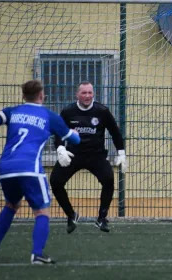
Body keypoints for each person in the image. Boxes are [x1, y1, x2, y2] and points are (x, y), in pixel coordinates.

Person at [0, 80, 80, 264]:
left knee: (11, 205)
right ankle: (37, 254)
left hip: (6, 168)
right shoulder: (49, 116)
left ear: (23, 96)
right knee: (42, 211)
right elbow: (74, 140)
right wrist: (74, 133)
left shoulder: (12, 112)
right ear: (42, 95)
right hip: (30, 169)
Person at [50, 81, 126, 234]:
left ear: (93, 94)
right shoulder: (68, 111)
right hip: (73, 154)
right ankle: (71, 215)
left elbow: (115, 132)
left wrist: (121, 153)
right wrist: (60, 149)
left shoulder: (102, 111)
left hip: (96, 155)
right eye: (83, 93)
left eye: (90, 92)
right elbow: (58, 132)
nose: (87, 96)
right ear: (77, 95)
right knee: (55, 181)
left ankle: (102, 218)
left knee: (108, 179)